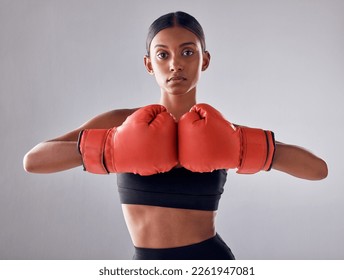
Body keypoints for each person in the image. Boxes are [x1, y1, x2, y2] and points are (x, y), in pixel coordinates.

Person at [23, 11, 328, 260]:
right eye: (162, 54)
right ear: (148, 64)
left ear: (204, 60)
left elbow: (318, 170)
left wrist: (239, 146)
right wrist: (108, 147)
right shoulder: (120, 122)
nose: (175, 64)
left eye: (187, 52)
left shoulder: (223, 131)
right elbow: (33, 161)